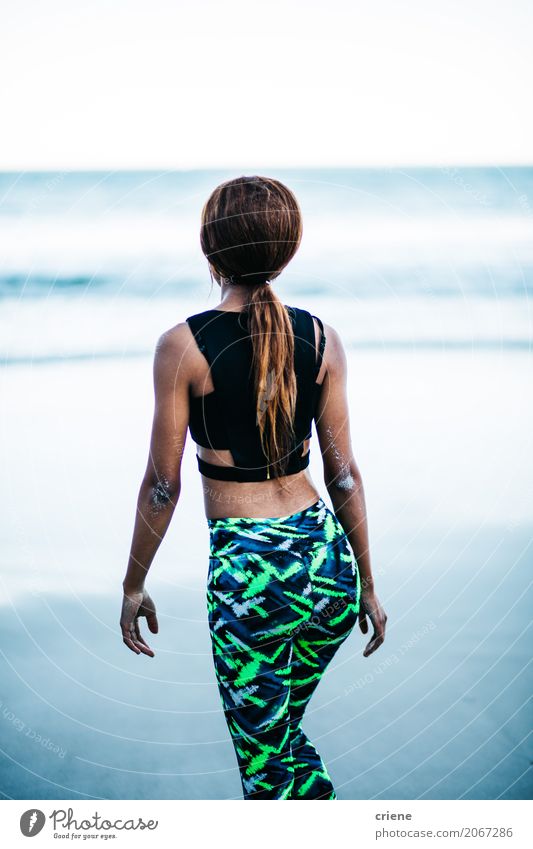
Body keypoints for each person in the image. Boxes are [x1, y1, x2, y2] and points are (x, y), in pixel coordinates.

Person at [120, 175, 387, 800]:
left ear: (211, 253)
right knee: (281, 742)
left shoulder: (182, 346)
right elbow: (342, 472)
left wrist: (134, 583)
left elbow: (164, 485)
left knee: (266, 766)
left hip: (250, 576)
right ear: (286, 250)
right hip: (327, 567)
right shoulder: (320, 337)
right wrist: (368, 586)